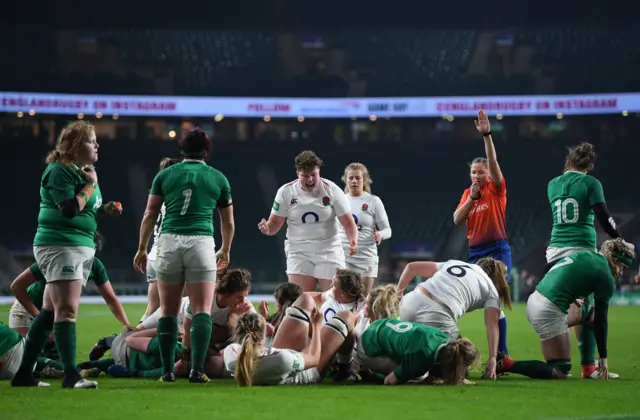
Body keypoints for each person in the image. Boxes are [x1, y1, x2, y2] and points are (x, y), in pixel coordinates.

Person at [12, 121, 122, 389]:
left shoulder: (80, 172)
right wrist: (90, 186)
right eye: (91, 140)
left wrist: (106, 208)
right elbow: (70, 209)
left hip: (76, 246)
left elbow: (88, 210)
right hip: (62, 245)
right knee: (67, 311)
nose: (97, 145)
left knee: (50, 312)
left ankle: (24, 375)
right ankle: (72, 376)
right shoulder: (59, 171)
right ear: (74, 145)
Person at [133, 128, 235, 383]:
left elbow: (150, 214)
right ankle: (197, 370)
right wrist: (226, 248)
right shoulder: (218, 178)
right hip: (200, 242)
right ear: (207, 151)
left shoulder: (165, 175)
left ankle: (168, 371)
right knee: (201, 310)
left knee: (168, 311)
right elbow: (228, 222)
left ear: (182, 150)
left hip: (168, 241)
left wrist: (142, 248)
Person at [497, 239, 635, 380]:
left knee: (588, 312)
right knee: (560, 371)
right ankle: (507, 364)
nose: (621, 272)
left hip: (536, 299)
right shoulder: (606, 276)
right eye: (622, 266)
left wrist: (565, 290)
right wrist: (603, 357)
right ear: (615, 260)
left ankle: (588, 369)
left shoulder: (586, 255)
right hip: (548, 310)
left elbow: (548, 268)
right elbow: (601, 321)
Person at [545, 142, 626, 378]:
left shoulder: (552, 185)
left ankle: (587, 366)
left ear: (567, 162)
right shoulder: (591, 183)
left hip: (554, 251)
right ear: (590, 165)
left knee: (579, 307)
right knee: (589, 312)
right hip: (580, 251)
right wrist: (619, 239)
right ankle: (586, 362)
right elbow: (604, 217)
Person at [452, 109, 511, 355]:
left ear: (489, 174)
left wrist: (487, 135)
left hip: (497, 250)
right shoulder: (469, 193)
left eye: (481, 172)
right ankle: (449, 344)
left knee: (494, 300)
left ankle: (501, 354)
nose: (477, 175)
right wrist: (471, 199)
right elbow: (456, 219)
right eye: (473, 172)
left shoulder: (496, 188)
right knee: (460, 300)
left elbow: (494, 162)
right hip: (475, 253)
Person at [258, 150, 358, 292]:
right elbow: (274, 224)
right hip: (299, 251)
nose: (310, 179)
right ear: (298, 173)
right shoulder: (285, 192)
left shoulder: (332, 190)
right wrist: (267, 228)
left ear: (319, 172)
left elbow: (348, 223)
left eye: (314, 175)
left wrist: (353, 240)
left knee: (334, 298)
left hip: (329, 250)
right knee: (300, 300)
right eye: (306, 176)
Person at [396, 258, 512, 379]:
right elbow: (492, 325)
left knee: (403, 337)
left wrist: (398, 294)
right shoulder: (491, 289)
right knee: (464, 354)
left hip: (410, 301)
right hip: (437, 313)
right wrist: (493, 357)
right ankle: (424, 371)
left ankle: (393, 361)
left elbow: (411, 267)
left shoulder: (455, 263)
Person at [9, 236, 132, 338]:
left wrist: (126, 324)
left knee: (57, 358)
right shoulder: (55, 259)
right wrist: (38, 317)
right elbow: (16, 286)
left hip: (54, 315)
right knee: (30, 358)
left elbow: (110, 298)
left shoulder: (94, 266)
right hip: (26, 312)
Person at [223, 293, 358, 386]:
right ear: (262, 334)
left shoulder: (231, 354)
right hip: (306, 370)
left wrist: (262, 321)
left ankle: (328, 347)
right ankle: (344, 370)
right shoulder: (282, 359)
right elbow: (313, 358)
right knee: (346, 317)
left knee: (305, 299)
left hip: (284, 357)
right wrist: (316, 326)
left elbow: (254, 347)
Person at [359, 318, 480, 385]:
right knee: (419, 376)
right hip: (369, 346)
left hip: (380, 324)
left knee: (419, 371)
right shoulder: (421, 357)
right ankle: (369, 373)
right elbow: (389, 381)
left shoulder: (443, 338)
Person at [142, 157, 183, 323]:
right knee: (182, 310)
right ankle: (123, 343)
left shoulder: (158, 198)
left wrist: (141, 249)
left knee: (152, 311)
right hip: (168, 257)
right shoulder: (177, 200)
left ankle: (123, 341)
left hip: (154, 255)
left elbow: (149, 218)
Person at [340, 162, 391, 294]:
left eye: (358, 178)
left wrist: (380, 234)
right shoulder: (340, 201)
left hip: (366, 257)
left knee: (362, 300)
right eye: (351, 178)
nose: (354, 181)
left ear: (364, 180)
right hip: (344, 256)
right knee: (344, 298)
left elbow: (388, 230)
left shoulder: (373, 201)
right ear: (346, 180)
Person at [0, 321, 65, 382]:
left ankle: (41, 372)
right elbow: (11, 336)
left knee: (33, 361)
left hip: (10, 368)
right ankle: (66, 369)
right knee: (33, 360)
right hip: (15, 360)